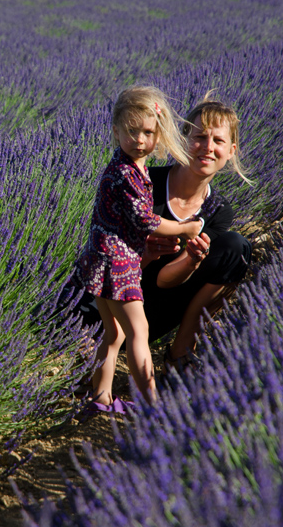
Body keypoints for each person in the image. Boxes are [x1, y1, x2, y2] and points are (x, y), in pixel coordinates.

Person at [72, 85, 203, 409]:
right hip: (117, 265)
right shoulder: (127, 174)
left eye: (147, 132)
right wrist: (185, 228)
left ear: (158, 135)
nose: (140, 139)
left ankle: (101, 398)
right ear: (116, 131)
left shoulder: (131, 166)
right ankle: (150, 405)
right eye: (132, 132)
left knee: (113, 333)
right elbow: (146, 221)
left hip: (102, 259)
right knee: (138, 332)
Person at [140, 95, 253, 373]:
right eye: (199, 137)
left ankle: (180, 354)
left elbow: (164, 281)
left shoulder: (218, 210)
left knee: (237, 250)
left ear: (231, 151)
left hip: (156, 309)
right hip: (111, 303)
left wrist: (192, 260)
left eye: (218, 141)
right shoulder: (145, 182)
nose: (207, 147)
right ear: (183, 139)